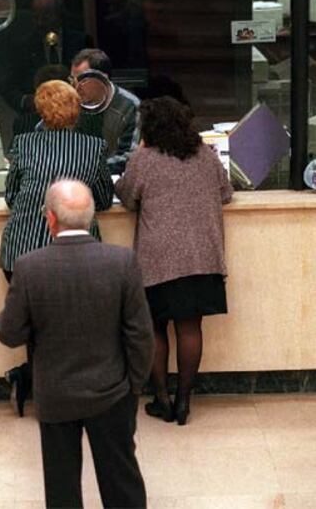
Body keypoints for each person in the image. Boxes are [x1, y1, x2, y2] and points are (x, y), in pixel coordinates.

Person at [0, 179, 154, 509]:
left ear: (50, 218)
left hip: (56, 394)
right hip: (112, 392)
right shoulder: (121, 262)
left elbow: (8, 333)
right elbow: (140, 335)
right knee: (121, 482)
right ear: (91, 218)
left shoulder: (29, 267)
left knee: (62, 487)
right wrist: (133, 387)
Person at [115, 96, 233, 426]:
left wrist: (139, 152)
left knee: (154, 327)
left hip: (158, 260)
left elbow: (126, 197)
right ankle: (184, 401)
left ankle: (162, 399)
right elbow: (226, 193)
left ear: (148, 128)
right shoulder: (206, 157)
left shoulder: (145, 159)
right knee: (190, 327)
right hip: (202, 257)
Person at [0, 80, 114, 416]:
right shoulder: (92, 147)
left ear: (39, 110)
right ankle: (58, 389)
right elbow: (104, 200)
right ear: (77, 109)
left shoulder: (23, 143)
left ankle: (32, 381)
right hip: (77, 252)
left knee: (38, 324)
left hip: (23, 247)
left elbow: (10, 197)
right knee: (74, 322)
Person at [71, 48, 140, 174]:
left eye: (83, 80)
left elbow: (132, 156)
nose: (76, 87)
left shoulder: (130, 106)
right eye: (74, 80)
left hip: (115, 179)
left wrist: (89, 170)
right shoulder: (73, 102)